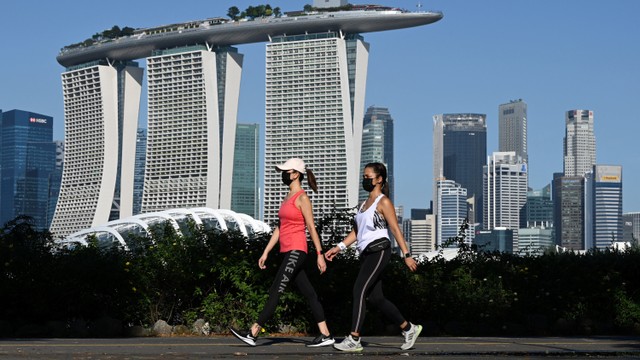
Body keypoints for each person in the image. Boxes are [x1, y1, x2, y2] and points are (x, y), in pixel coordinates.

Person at [229, 158, 335, 348]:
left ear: (296, 174)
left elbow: (311, 227)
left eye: (286, 171)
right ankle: (326, 334)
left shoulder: (302, 198)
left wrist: (319, 253)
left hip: (297, 250)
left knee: (275, 290)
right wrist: (266, 251)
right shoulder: (287, 197)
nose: (283, 174)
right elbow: (280, 227)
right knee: (309, 293)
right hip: (288, 251)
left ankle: (253, 333)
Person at [324, 162, 421, 352]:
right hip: (366, 253)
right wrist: (339, 247)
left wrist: (407, 255)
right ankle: (409, 328)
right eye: (364, 177)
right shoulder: (363, 205)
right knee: (377, 299)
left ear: (379, 179)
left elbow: (394, 228)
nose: (364, 180)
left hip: (379, 250)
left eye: (368, 177)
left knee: (359, 289)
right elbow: (357, 232)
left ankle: (354, 338)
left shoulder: (383, 202)